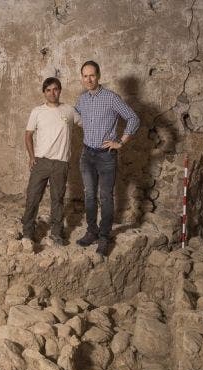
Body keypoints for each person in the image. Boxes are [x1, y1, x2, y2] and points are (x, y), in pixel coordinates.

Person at [75, 60, 140, 255]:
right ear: (82, 78)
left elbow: (133, 118)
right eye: (85, 76)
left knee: (105, 197)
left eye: (92, 75)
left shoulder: (112, 98)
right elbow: (76, 118)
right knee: (89, 195)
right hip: (87, 154)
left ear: (99, 75)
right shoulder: (82, 99)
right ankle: (91, 231)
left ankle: (104, 237)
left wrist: (121, 142)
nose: (89, 79)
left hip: (106, 156)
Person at [22, 77, 81, 245]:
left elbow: (87, 124)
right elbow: (28, 135)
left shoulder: (69, 110)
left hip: (61, 163)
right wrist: (32, 157)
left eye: (55, 89)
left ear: (60, 90)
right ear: (44, 92)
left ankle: (56, 233)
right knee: (33, 197)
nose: (52, 93)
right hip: (41, 162)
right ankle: (27, 233)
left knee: (58, 199)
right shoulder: (37, 111)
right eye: (48, 90)